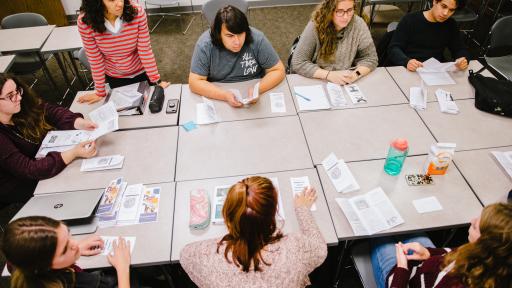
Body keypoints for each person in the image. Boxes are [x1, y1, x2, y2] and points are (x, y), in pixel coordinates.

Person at [180, 176, 327, 288]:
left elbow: (185, 255)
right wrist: (302, 209)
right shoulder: (295, 248)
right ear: (273, 213)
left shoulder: (205, 255)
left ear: (227, 215)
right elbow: (320, 249)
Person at [0, 75, 98, 207]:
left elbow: (51, 111)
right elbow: (29, 169)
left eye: (18, 91)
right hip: (19, 182)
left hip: (43, 160)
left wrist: (77, 122)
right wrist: (73, 153)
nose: (19, 97)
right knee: (78, 187)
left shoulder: (19, 107)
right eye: (10, 95)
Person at [371, 202, 512, 288]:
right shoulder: (496, 258)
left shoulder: (456, 284)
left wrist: (402, 268)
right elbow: (453, 252)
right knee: (406, 223)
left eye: (475, 226)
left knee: (380, 229)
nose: (472, 220)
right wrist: (428, 253)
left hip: (401, 280)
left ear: (485, 244)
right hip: (427, 267)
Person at [189, 6, 286, 108]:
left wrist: (258, 89)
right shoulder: (205, 44)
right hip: (219, 95)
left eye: (240, 34)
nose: (237, 42)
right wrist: (224, 95)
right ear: (219, 34)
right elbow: (194, 82)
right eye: (230, 36)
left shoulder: (257, 39)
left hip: (254, 93)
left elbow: (278, 70)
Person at [78, 0, 169, 104]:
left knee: (150, 105)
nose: (120, 3)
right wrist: (100, 92)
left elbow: (145, 50)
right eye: (111, 0)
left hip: (141, 71)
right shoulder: (85, 22)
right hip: (116, 76)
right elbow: (95, 59)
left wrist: (156, 81)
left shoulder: (137, 12)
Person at [2, 216, 131, 288]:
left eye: (68, 235)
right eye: (64, 250)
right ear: (44, 266)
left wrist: (76, 249)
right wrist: (123, 268)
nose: (75, 244)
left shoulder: (20, 264)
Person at [291, 0, 378, 85]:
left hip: (343, 79)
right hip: (316, 79)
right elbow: (298, 62)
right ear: (329, 10)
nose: (346, 17)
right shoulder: (315, 25)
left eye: (350, 10)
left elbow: (370, 58)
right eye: (340, 11)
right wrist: (329, 75)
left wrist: (355, 75)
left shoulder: (359, 24)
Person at [387, 0, 470, 71]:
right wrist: (406, 61)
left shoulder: (450, 24)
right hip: (408, 68)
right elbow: (393, 48)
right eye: (443, 6)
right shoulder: (410, 20)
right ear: (434, 1)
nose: (445, 13)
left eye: (451, 10)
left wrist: (463, 58)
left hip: (434, 71)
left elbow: (459, 48)